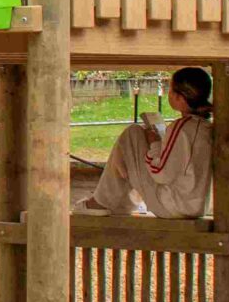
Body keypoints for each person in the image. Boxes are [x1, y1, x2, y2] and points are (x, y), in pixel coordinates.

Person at [79, 67, 215, 220]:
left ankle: (103, 201)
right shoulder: (205, 126)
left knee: (133, 133)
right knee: (134, 141)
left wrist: (154, 143)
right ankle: (120, 201)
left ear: (180, 98)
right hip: (195, 205)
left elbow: (161, 173)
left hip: (173, 206)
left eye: (170, 90)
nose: (168, 94)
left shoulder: (182, 127)